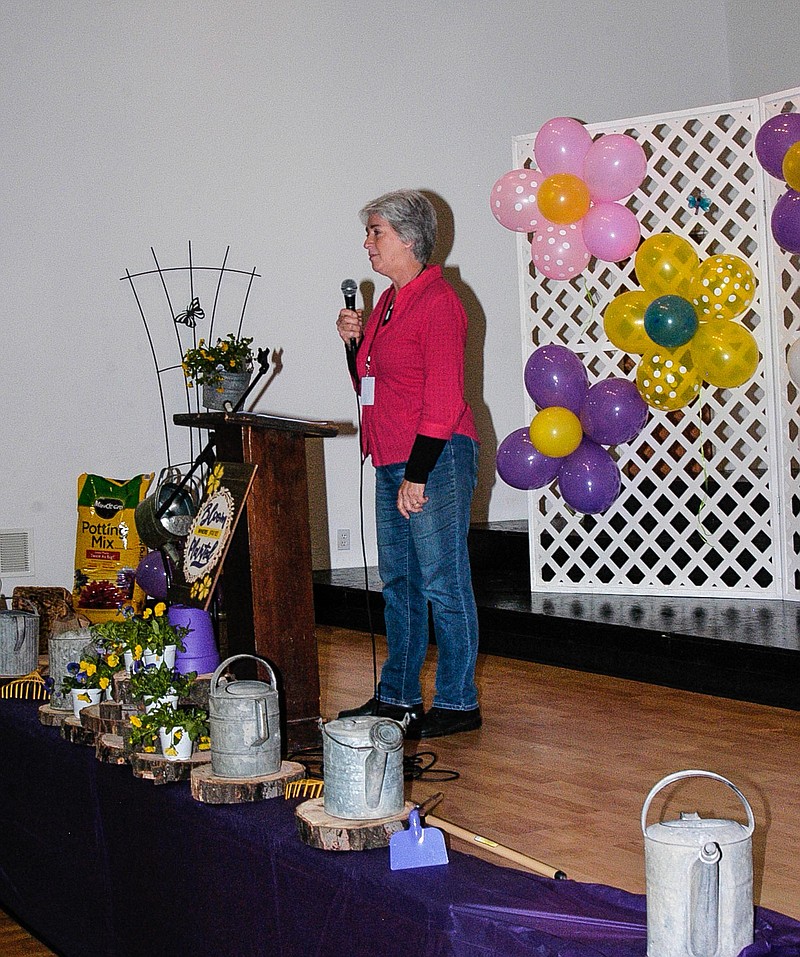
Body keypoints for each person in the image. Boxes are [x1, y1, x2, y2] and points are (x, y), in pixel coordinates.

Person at [335, 189, 481, 739]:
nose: (368, 242)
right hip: (392, 455)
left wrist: (417, 474)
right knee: (399, 581)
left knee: (443, 581)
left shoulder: (439, 302)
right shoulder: (388, 305)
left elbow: (443, 400)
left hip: (435, 457)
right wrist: (353, 347)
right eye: (370, 232)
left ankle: (458, 702)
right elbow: (371, 388)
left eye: (377, 232)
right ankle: (397, 695)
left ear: (410, 239)